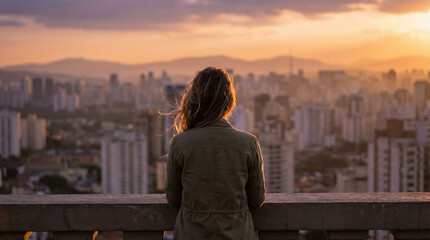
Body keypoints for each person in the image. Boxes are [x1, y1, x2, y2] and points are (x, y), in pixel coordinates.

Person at [165, 67, 266, 240]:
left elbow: (174, 199)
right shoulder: (248, 143)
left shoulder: (180, 143)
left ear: (195, 100)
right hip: (238, 234)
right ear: (229, 102)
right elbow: (256, 200)